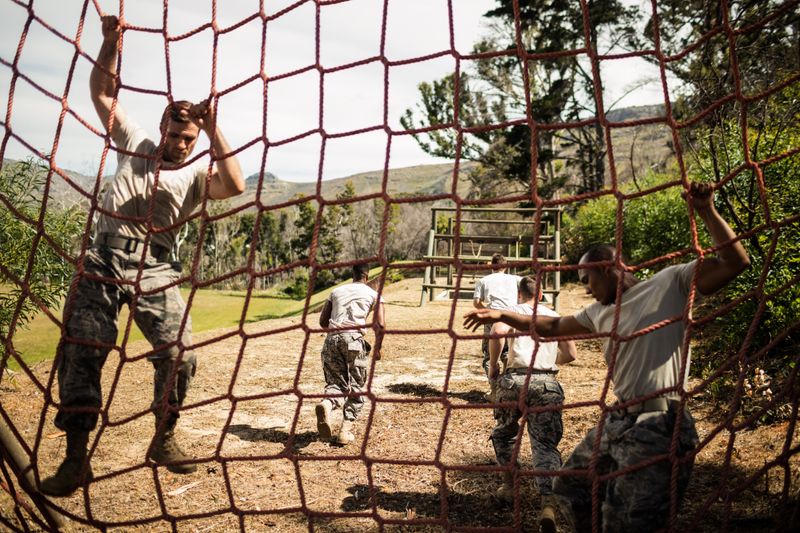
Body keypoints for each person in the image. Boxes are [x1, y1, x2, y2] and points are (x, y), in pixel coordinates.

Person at [464, 182, 750, 531]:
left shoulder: (670, 283)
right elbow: (552, 327)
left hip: (662, 423)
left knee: (628, 520)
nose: (585, 287)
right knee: (570, 486)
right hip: (619, 416)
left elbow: (736, 262)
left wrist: (706, 210)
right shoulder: (599, 312)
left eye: (587, 278)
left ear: (607, 267)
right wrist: (501, 315)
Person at [39, 15, 245, 497]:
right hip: (104, 258)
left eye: (188, 139)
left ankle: (164, 436)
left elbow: (234, 185)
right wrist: (110, 44)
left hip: (155, 265)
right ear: (162, 127)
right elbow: (102, 94)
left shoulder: (196, 174)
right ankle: (75, 458)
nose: (178, 144)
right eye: (175, 135)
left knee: (179, 354)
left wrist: (214, 131)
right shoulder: (137, 142)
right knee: (83, 348)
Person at [488, 276, 577, 533]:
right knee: (545, 444)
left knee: (503, 435)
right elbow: (571, 354)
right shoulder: (554, 315)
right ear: (539, 295)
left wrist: (494, 365)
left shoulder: (512, 312)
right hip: (546, 383)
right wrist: (549, 360)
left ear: (519, 294)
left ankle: (509, 486)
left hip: (514, 380)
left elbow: (497, 331)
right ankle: (547, 504)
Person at [316, 264, 386, 445]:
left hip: (331, 341)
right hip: (354, 340)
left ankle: (327, 404)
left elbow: (323, 321)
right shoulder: (373, 295)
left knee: (335, 383)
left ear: (352, 274)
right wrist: (377, 348)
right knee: (357, 386)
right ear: (367, 275)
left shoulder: (336, 291)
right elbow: (381, 324)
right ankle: (344, 431)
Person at [473, 253, 521, 376]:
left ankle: (493, 386)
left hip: (492, 315)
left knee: (489, 356)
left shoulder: (483, 280)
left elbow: (477, 303)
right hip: (511, 316)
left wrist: (487, 312)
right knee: (507, 352)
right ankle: (505, 379)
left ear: (491, 266)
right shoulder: (516, 279)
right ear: (506, 266)